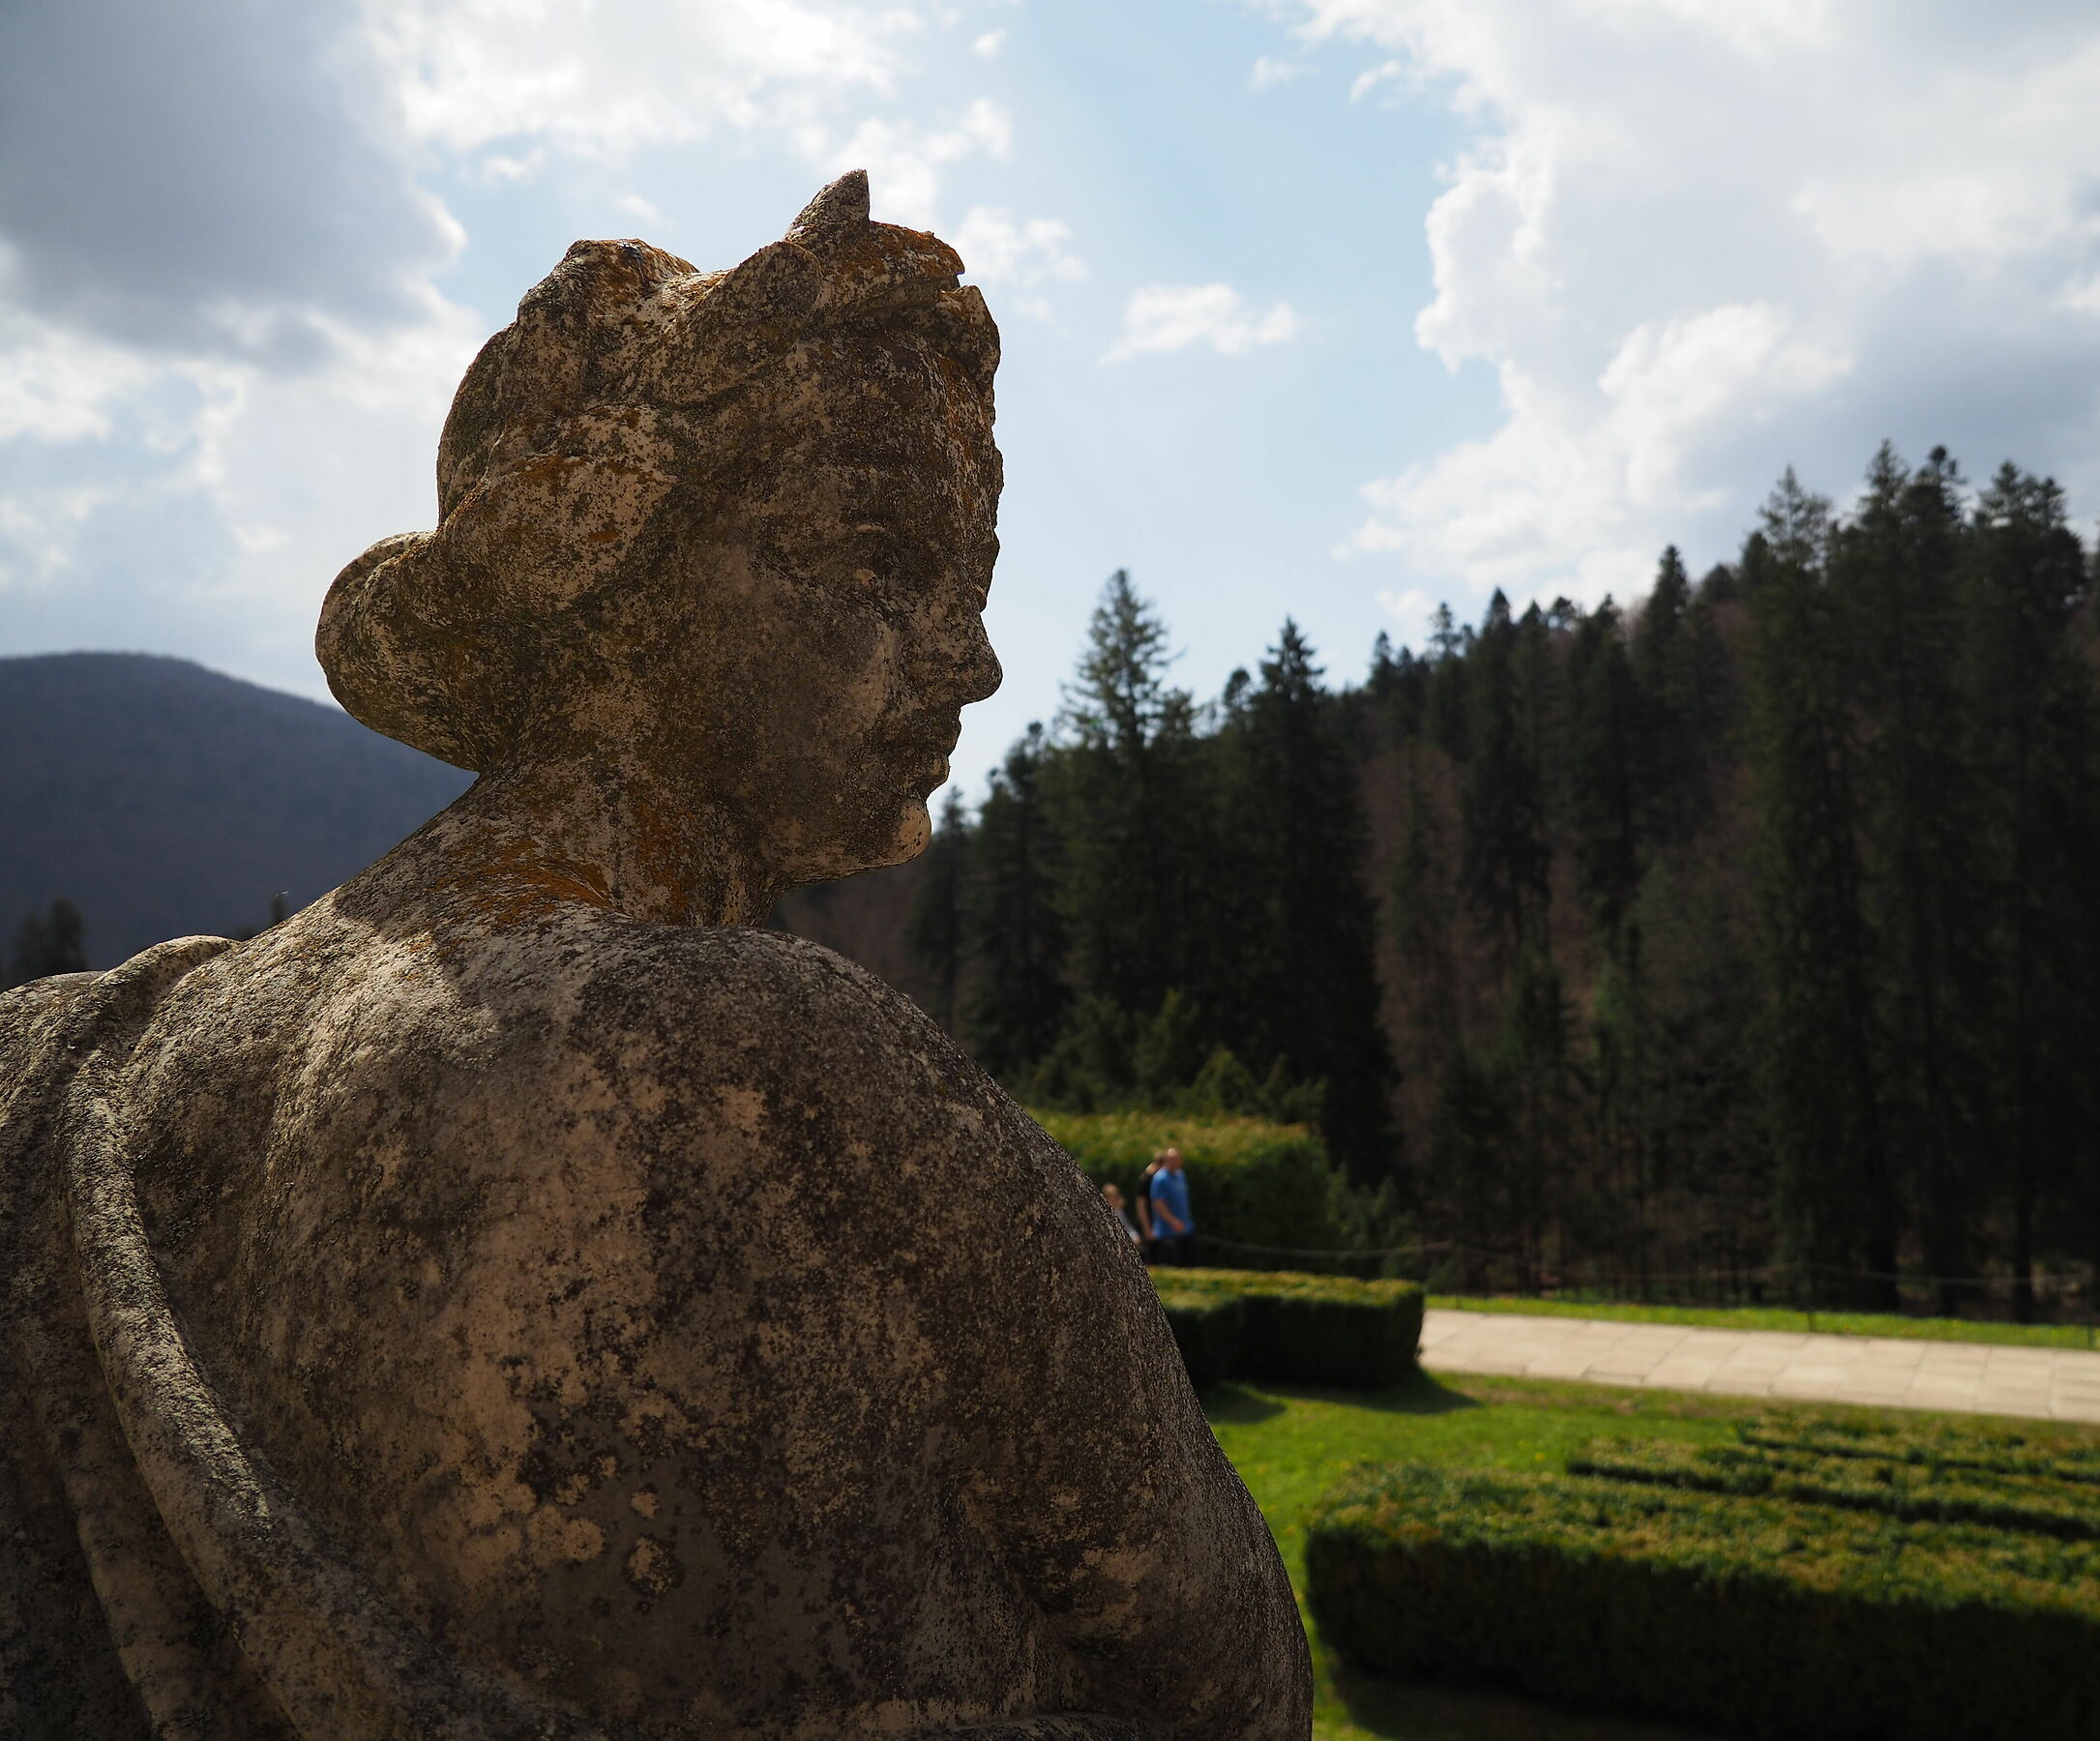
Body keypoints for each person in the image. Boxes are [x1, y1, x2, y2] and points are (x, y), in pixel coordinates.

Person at [0, 172, 1308, 1741]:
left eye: (969, 579)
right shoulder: (764, 1069)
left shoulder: (66, 1060)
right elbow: (1229, 1681)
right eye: (882, 555)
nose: (968, 655)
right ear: (609, 557)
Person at [1149, 1146, 1197, 1267]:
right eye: (1172, 1159)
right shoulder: (1160, 1178)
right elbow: (1158, 1203)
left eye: (1177, 1159)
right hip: (1168, 1232)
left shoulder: (1181, 1175)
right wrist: (1173, 1221)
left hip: (1185, 1229)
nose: (1175, 1162)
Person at [1101, 1181, 1140, 1250]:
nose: (1115, 1199)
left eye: (1116, 1196)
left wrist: (1135, 1237)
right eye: (1112, 1196)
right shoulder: (1102, 1212)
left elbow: (1128, 1226)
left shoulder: (1119, 1211)